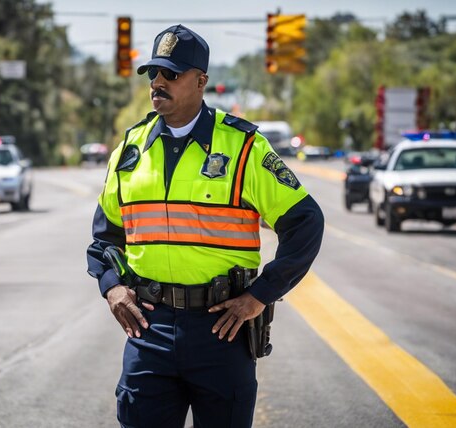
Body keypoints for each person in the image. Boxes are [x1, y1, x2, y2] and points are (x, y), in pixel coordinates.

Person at [87, 24, 324, 428]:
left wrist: (261, 295)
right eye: (153, 73)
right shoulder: (129, 150)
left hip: (221, 332)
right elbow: (104, 239)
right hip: (149, 330)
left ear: (201, 82)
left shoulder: (244, 147)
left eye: (171, 75)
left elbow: (305, 222)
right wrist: (112, 287)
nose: (158, 83)